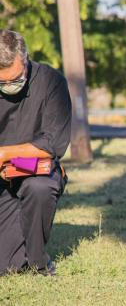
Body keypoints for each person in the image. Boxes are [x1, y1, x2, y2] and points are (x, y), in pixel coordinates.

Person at [0, 30, 71, 275]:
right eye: (2, 82)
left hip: (35, 171)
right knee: (6, 266)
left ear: (26, 59)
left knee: (39, 187)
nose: (10, 86)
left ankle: (39, 263)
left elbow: (53, 144)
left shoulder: (52, 82)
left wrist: (3, 153)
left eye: (16, 78)